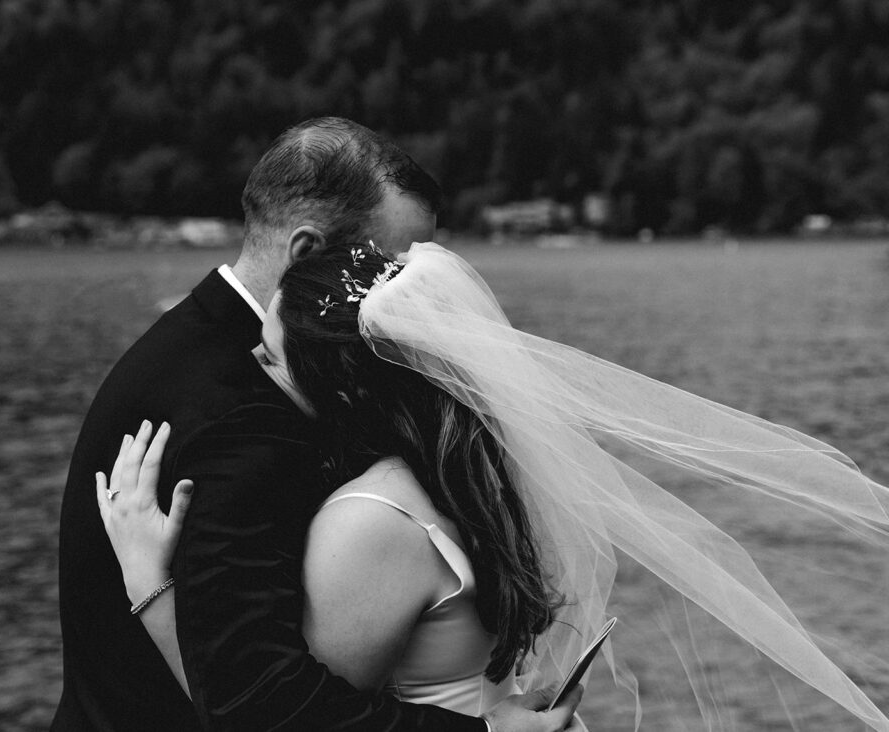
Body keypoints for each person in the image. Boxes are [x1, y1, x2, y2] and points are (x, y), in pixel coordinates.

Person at [100, 241, 889, 731]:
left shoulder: (371, 519)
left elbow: (268, 722)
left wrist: (148, 585)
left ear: (339, 393)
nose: (256, 366)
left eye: (271, 354)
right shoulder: (477, 469)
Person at [54, 117, 578, 731]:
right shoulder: (242, 414)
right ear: (307, 253)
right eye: (389, 263)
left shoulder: (201, 348)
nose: (408, 292)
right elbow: (261, 702)